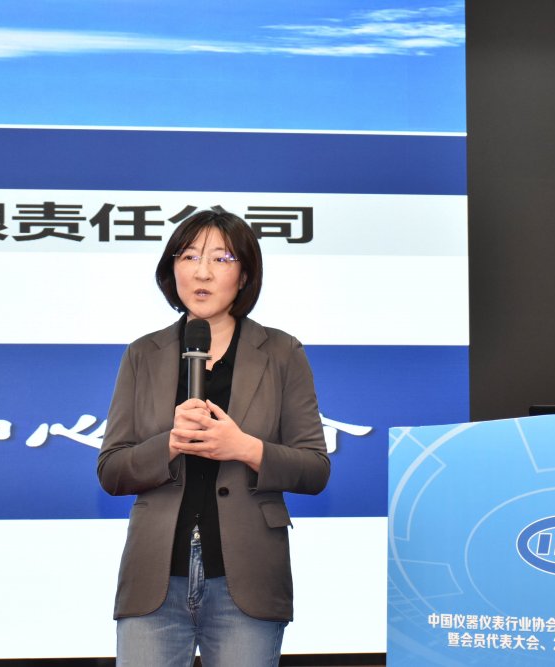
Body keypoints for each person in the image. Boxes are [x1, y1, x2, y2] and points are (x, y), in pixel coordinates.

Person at [97, 208, 330, 666]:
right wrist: (170, 443)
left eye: (221, 259)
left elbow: (315, 469)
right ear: (172, 269)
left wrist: (243, 448)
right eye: (188, 256)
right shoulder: (143, 353)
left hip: (248, 575)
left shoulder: (281, 352)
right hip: (155, 577)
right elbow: (111, 470)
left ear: (244, 275)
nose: (202, 272)